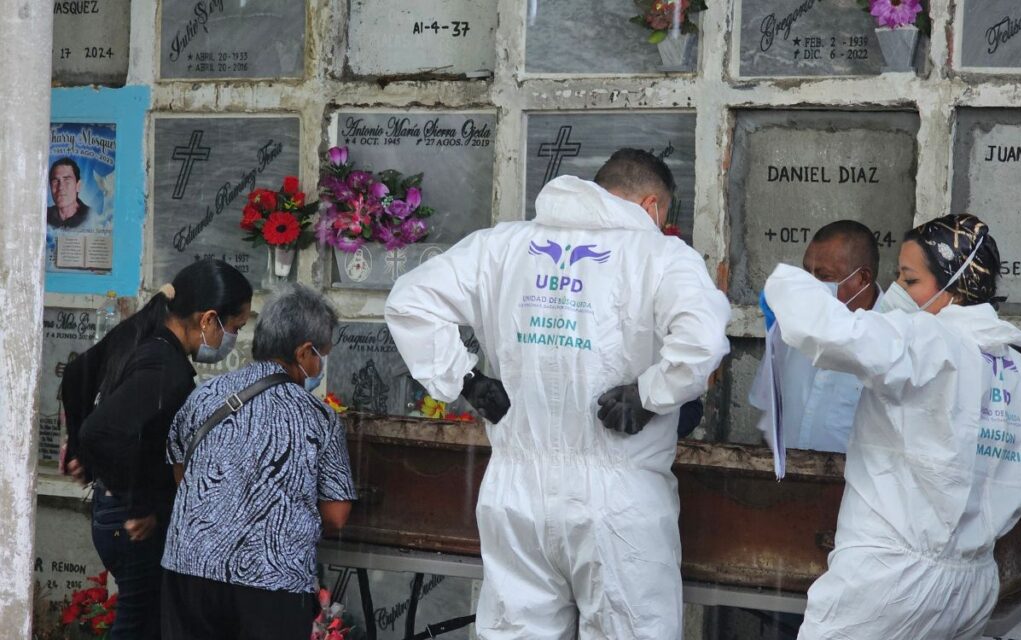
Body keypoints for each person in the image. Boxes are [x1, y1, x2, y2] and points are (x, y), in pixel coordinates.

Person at [385, 149, 731, 639]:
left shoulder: (502, 246)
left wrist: (466, 381)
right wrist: (650, 393)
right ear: (652, 205)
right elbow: (703, 342)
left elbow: (409, 301)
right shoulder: (660, 256)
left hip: (516, 496)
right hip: (619, 503)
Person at [763, 214, 1021, 640]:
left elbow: (827, 331)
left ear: (953, 288)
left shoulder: (929, 340)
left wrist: (786, 285)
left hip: (888, 581)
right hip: (971, 584)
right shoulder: (1013, 363)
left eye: (909, 279)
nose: (899, 292)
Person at [62, 259, 252, 639]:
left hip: (113, 515)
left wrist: (78, 453)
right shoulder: (165, 365)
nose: (232, 337)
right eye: (235, 328)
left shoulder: (148, 341)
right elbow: (104, 432)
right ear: (209, 319)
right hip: (129, 524)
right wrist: (139, 503)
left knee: (144, 623)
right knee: (139, 626)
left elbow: (76, 373)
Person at [161, 284, 357, 640]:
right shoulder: (318, 418)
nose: (320, 364)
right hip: (272, 582)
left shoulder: (204, 395)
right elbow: (336, 515)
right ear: (304, 352)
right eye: (321, 354)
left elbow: (181, 475)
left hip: (188, 569)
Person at [749, 220, 882, 453]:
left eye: (824, 276)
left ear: (862, 279)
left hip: (853, 484)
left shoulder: (890, 339)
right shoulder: (791, 325)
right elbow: (770, 411)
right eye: (806, 272)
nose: (811, 285)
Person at [47, 157, 91, 228]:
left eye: (67, 180)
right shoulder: (44, 215)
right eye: (55, 181)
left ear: (78, 185)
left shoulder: (92, 218)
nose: (60, 187)